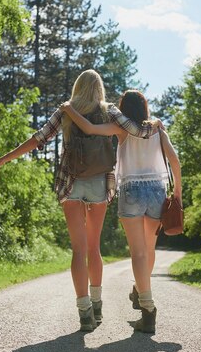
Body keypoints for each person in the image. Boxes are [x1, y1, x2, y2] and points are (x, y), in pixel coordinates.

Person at [0, 70, 161, 332]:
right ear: (99, 89)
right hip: (100, 183)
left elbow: (38, 139)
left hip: (71, 182)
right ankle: (98, 304)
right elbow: (137, 130)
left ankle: (85, 312)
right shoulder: (108, 110)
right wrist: (155, 124)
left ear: (78, 88)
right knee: (94, 248)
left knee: (78, 250)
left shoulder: (66, 110)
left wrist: (1, 160)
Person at [61, 90, 182, 334]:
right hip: (157, 191)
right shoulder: (157, 128)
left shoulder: (121, 129)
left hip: (131, 191)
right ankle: (141, 291)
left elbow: (89, 128)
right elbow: (175, 161)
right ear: (145, 108)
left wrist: (68, 109)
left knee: (137, 253)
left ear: (123, 109)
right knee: (148, 250)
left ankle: (148, 309)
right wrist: (177, 193)